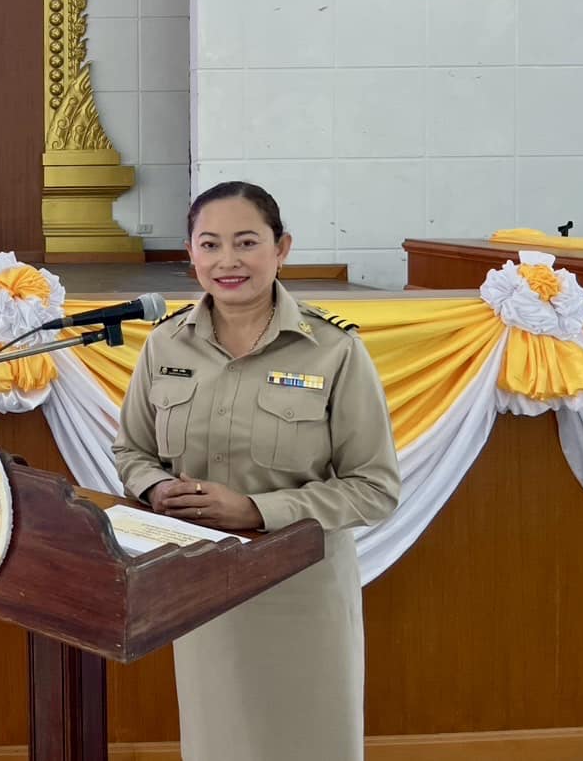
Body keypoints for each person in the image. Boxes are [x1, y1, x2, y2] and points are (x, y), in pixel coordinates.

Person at [112, 181, 400, 761]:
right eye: (210, 244)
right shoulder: (166, 345)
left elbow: (374, 488)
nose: (228, 261)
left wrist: (254, 511)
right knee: (218, 740)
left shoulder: (333, 349)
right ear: (190, 253)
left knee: (309, 740)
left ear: (281, 248)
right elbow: (132, 453)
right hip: (201, 585)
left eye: (246, 242)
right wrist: (158, 487)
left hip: (300, 589)